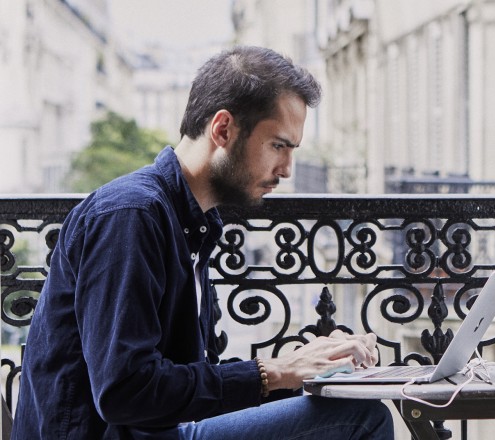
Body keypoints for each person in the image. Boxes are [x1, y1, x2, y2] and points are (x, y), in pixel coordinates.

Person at [12, 46, 394, 439]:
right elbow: (123, 391)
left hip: (163, 430)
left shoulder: (192, 221)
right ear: (223, 129)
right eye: (278, 146)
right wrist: (273, 372)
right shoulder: (130, 215)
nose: (286, 170)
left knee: (348, 406)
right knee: (362, 419)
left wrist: (314, 365)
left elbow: (187, 382)